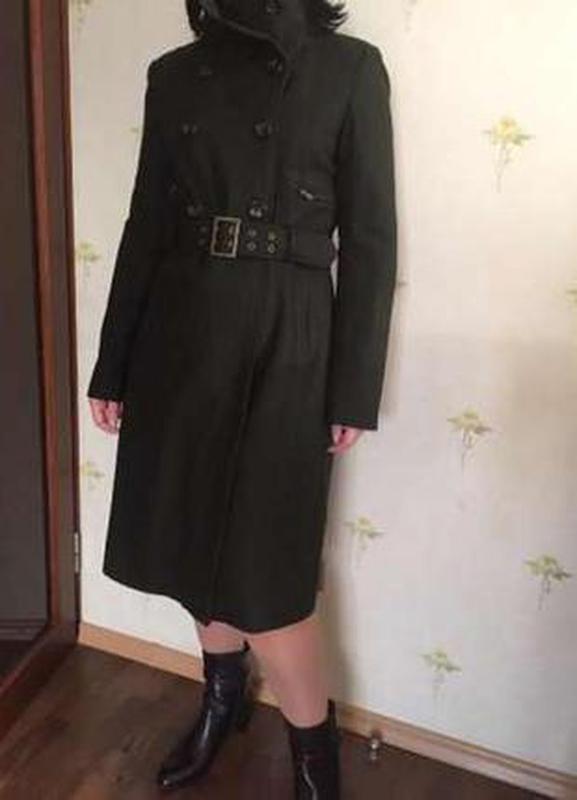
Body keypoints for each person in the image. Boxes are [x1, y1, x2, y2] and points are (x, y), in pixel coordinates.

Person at [87, 0, 397, 796]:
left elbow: (369, 238)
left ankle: (314, 758)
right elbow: (146, 224)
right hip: (181, 334)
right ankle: (221, 699)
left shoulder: (348, 68)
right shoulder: (172, 75)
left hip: (287, 339)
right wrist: (112, 363)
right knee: (191, 539)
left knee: (269, 574)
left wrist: (352, 387)